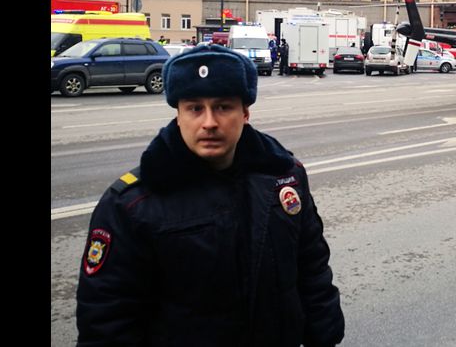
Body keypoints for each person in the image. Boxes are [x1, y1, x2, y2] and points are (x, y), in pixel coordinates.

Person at [76, 44, 344, 346]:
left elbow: (312, 269)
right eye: (194, 108)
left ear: (244, 113)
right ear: (178, 114)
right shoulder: (131, 204)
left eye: (223, 106)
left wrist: (325, 335)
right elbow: (107, 319)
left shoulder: (284, 177)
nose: (209, 122)